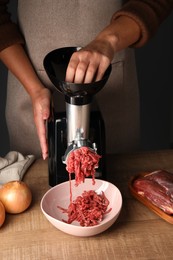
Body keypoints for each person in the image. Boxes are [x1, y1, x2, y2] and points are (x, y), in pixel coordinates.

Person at [0, 0, 173, 160]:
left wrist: (109, 40)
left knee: (116, 182)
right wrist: (34, 89)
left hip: (111, 80)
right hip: (30, 82)